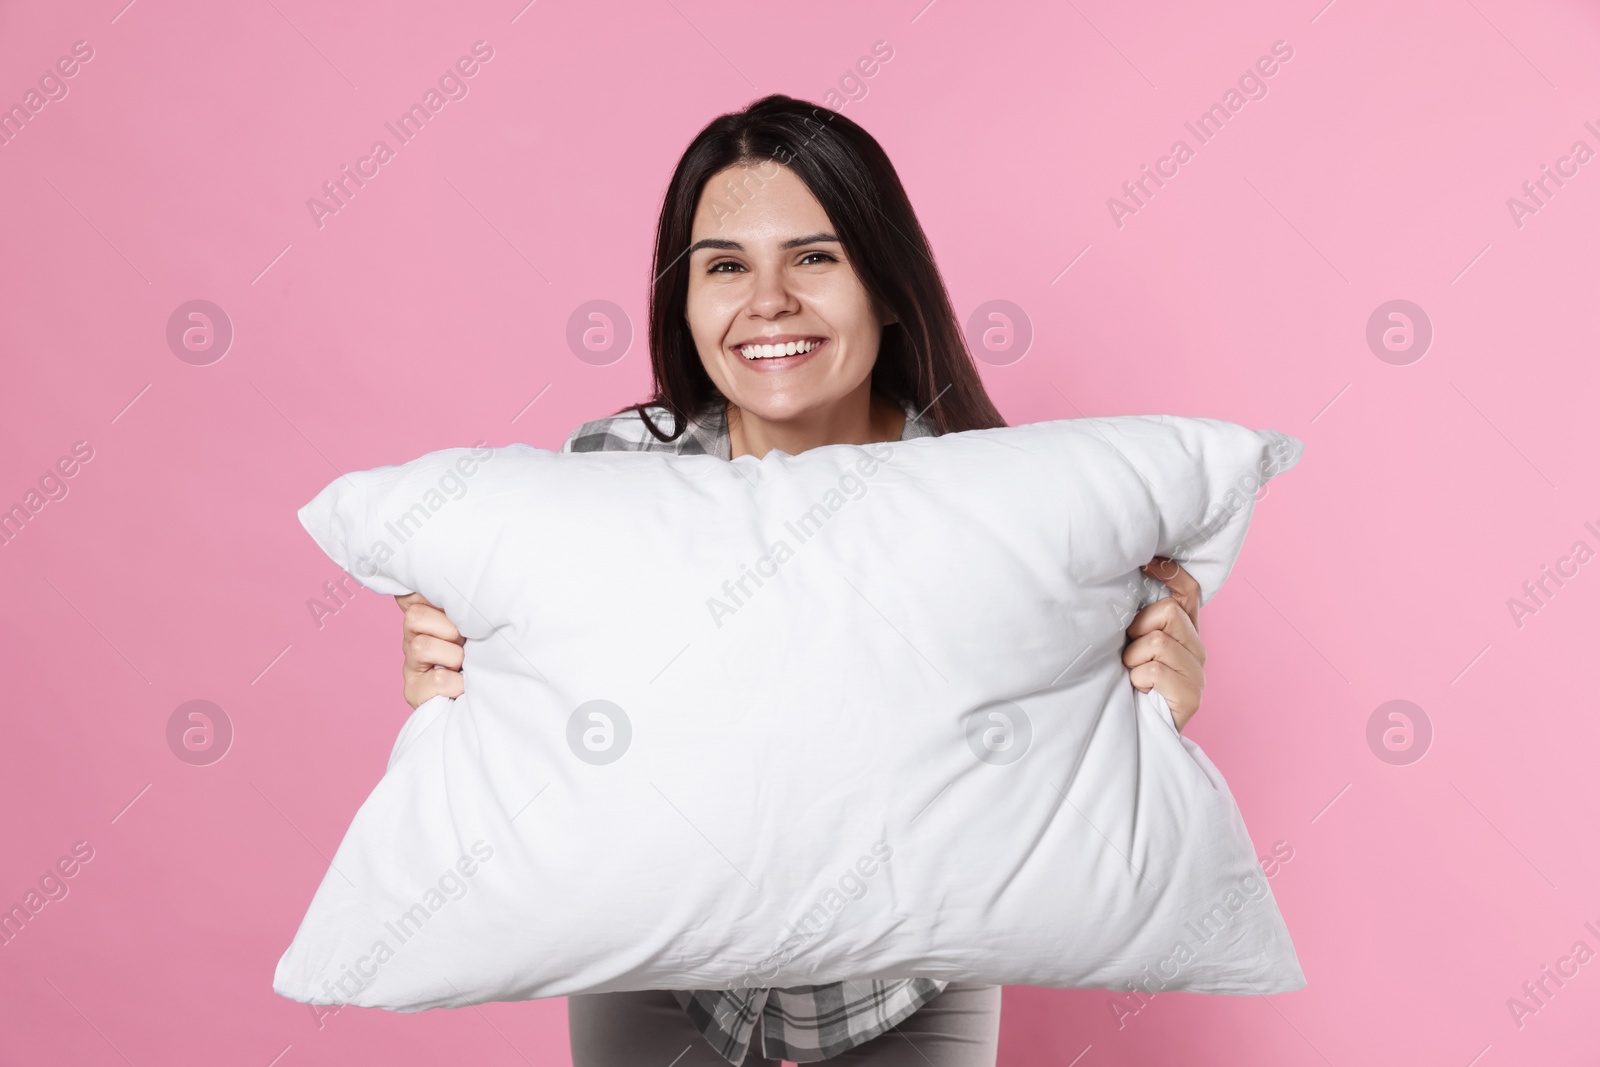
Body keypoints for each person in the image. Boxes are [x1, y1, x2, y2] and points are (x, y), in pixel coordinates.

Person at [394, 94, 1208, 1066]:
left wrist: (1146, 712)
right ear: (683, 303)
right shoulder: (611, 474)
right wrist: (464, 690)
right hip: (662, 964)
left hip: (906, 973)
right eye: (726, 266)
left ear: (889, 287)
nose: (767, 299)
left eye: (814, 257)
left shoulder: (1006, 508)